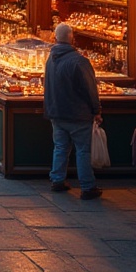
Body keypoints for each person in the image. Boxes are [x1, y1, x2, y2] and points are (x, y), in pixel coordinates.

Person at [44, 23, 103, 199]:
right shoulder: (79, 61)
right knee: (83, 150)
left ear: (55, 38)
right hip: (77, 113)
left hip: (56, 111)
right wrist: (96, 110)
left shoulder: (50, 58)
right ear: (72, 38)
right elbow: (90, 89)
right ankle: (87, 186)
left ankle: (57, 179)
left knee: (60, 147)